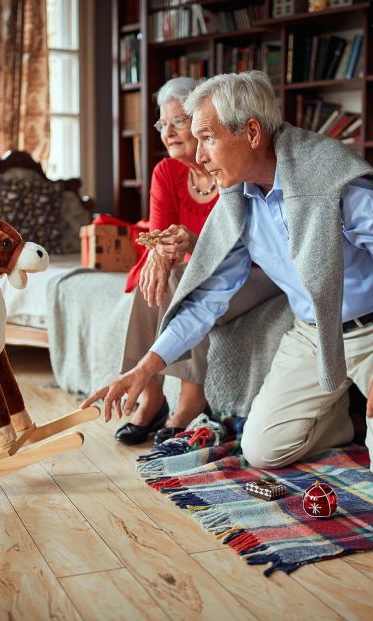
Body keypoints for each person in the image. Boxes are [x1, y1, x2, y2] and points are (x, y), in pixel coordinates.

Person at [84, 70, 373, 491]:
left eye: (208, 138)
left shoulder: (336, 181)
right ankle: (338, 420)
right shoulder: (237, 198)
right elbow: (207, 298)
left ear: (251, 132)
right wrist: (144, 369)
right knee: (262, 451)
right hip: (313, 334)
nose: (198, 156)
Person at [115, 76, 280, 445]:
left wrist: (188, 245)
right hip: (200, 269)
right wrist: (157, 255)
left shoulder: (232, 167)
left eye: (177, 121)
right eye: (162, 124)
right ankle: (150, 394)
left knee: (184, 273)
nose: (168, 132)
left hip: (255, 273)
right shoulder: (166, 172)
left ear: (202, 120)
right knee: (156, 273)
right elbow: (158, 239)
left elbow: (242, 248)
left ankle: (191, 397)